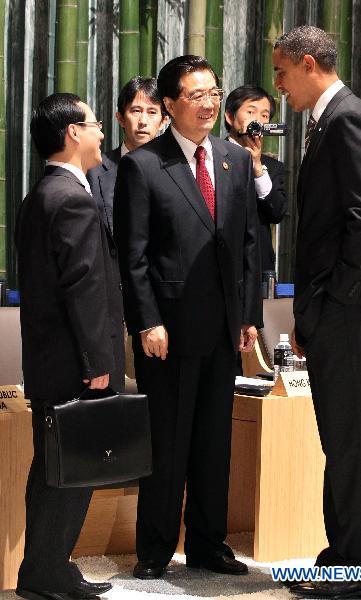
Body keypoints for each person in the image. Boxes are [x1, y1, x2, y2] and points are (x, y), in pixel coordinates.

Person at [114, 55, 262, 579]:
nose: (208, 102)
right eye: (195, 94)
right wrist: (147, 321)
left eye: (213, 92)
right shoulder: (144, 165)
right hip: (168, 333)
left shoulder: (234, 159)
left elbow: (248, 245)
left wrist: (249, 316)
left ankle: (208, 544)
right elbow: (132, 256)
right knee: (167, 445)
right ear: (170, 104)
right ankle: (154, 550)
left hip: (223, 330)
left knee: (212, 446)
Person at [273, 26, 361, 599]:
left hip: (349, 309)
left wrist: (334, 304)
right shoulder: (331, 118)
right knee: (341, 438)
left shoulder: (349, 117)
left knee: (352, 442)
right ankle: (344, 552)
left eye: (281, 72)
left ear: (307, 63)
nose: (278, 86)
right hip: (335, 308)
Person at [15, 93, 125, 600]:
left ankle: (42, 569)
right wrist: (98, 362)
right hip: (76, 367)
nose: (103, 132)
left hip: (52, 362)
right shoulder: (72, 198)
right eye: (96, 123)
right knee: (70, 472)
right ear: (72, 133)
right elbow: (83, 288)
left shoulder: (42, 193)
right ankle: (48, 572)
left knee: (53, 470)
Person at [87, 76, 168, 234]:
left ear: (164, 121)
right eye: (136, 111)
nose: (143, 121)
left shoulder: (177, 169)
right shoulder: (93, 170)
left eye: (152, 112)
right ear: (121, 118)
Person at [224, 85, 287, 273]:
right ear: (229, 116)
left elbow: (277, 213)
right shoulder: (211, 155)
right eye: (251, 112)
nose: (258, 120)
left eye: (264, 115)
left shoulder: (273, 167)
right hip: (219, 260)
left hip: (258, 265)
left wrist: (258, 169)